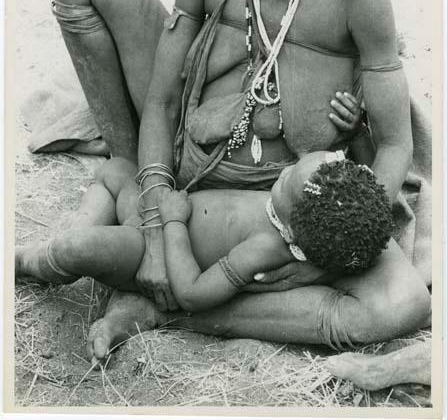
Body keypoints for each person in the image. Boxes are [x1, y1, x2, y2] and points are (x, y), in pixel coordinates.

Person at [45, 0, 429, 360]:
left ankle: (172, 309)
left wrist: (323, 249)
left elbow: (395, 144)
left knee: (401, 305)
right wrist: (155, 224)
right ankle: (134, 180)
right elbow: (162, 99)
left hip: (282, 204)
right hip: (189, 164)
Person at [16, 148, 393, 323]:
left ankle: (28, 260)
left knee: (75, 249)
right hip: (154, 222)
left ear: (296, 229)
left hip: (155, 252)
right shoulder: (301, 213)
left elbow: (193, 293)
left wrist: (176, 223)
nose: (285, 169)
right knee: (116, 169)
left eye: (287, 178)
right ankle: (82, 223)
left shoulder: (265, 249)